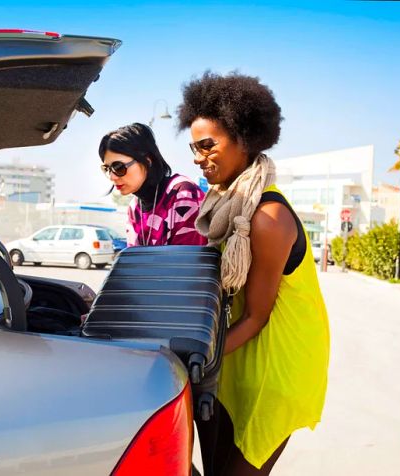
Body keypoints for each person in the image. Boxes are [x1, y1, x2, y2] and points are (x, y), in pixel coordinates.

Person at [177, 72, 330, 476]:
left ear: (244, 138)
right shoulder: (231, 205)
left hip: (275, 368)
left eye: (207, 145)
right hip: (238, 360)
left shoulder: (266, 217)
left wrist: (188, 363)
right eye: (194, 147)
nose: (197, 157)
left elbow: (257, 317)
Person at [98, 123, 207, 247]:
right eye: (107, 169)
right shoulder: (134, 208)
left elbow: (187, 263)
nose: (112, 176)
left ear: (147, 161)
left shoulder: (183, 194)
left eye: (118, 167)